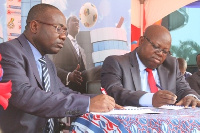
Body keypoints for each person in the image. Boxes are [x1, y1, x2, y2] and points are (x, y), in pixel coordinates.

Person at [0, 4, 121, 133]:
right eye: (58, 29)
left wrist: (97, 100)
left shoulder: (47, 62)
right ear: (35, 26)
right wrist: (87, 104)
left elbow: (62, 92)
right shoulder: (8, 51)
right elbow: (24, 94)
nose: (63, 36)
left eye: (65, 31)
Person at [101, 25, 200, 108]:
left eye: (165, 51)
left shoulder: (171, 65)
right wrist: (151, 99)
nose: (160, 54)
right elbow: (114, 93)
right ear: (142, 41)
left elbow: (184, 89)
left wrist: (190, 96)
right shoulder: (116, 63)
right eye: (156, 47)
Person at [52, 16, 101, 93]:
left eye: (78, 22)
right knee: (104, 67)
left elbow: (84, 71)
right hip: (68, 87)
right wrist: (69, 75)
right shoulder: (62, 42)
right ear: (67, 25)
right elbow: (54, 68)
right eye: (74, 21)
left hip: (82, 88)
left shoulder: (81, 50)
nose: (77, 23)